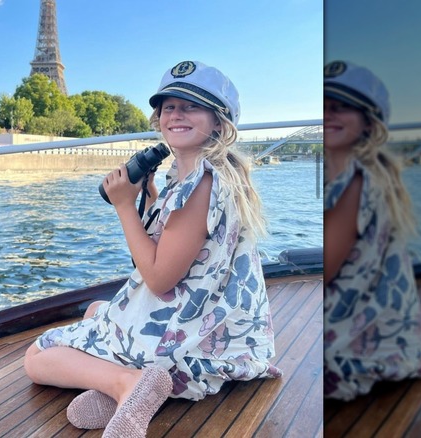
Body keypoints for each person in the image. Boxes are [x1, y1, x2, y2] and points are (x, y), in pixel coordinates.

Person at [23, 60, 281, 437]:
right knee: (97, 310)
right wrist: (153, 196)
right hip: (213, 330)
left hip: (183, 341)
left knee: (37, 358)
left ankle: (126, 384)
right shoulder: (206, 175)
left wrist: (125, 205)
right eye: (168, 107)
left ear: (219, 120)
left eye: (191, 105)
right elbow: (169, 250)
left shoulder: (198, 185)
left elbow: (158, 279)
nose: (175, 114)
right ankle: (133, 384)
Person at [322, 60, 421, 401]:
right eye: (321, 106)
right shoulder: (371, 174)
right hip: (387, 339)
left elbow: (324, 270)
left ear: (369, 122)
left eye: (340, 107)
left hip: (350, 349)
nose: (327, 114)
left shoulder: (354, 183)